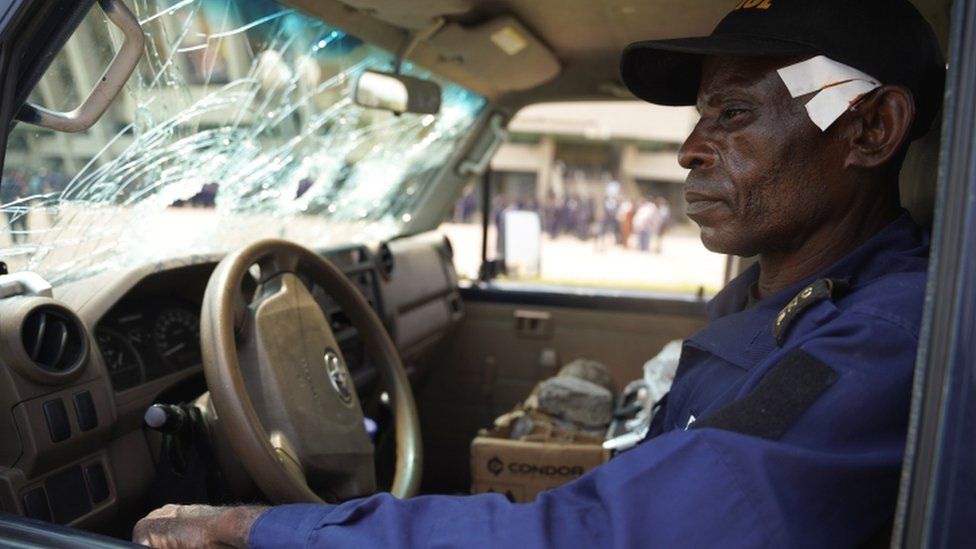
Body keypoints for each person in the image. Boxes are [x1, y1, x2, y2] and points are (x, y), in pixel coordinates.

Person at [133, 0, 945, 546]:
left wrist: (257, 528)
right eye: (702, 115)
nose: (690, 149)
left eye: (733, 115)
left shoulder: (881, 344)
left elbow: (599, 534)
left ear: (870, 128)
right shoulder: (779, 290)